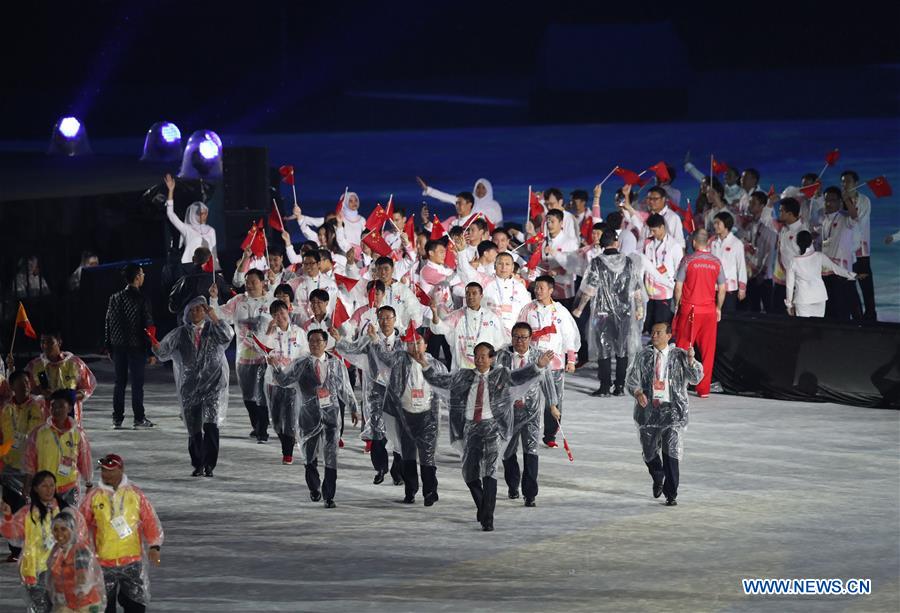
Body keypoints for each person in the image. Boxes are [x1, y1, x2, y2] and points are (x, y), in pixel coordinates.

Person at [414, 342, 553, 531]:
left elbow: (519, 377)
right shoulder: (463, 376)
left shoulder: (500, 374)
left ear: (492, 358)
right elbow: (440, 381)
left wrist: (538, 365)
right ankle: (482, 507)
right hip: (470, 428)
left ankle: (488, 518)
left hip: (493, 428)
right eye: (476, 356)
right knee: (470, 474)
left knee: (490, 471)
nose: (479, 360)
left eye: (483, 356)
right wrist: (424, 365)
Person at [269, 330, 359, 508]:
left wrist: (354, 408)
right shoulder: (301, 363)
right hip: (308, 415)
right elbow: (284, 380)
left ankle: (329, 495)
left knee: (331, 454)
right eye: (311, 341)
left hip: (331, 413)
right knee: (309, 455)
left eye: (319, 341)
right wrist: (274, 366)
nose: (315, 344)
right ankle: (314, 487)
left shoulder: (336, 363)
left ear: (326, 343)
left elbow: (345, 388)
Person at [151, 296, 234, 477]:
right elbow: (163, 352)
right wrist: (155, 345)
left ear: (205, 311)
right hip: (190, 387)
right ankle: (198, 463)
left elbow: (228, 335)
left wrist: (215, 317)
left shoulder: (214, 329)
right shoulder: (180, 333)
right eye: (193, 310)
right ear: (187, 313)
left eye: (200, 309)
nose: (196, 313)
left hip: (213, 384)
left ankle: (210, 465)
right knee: (194, 428)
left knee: (211, 426)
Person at [625, 321, 704, 506]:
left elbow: (696, 378)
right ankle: (657, 475)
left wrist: (692, 361)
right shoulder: (643, 356)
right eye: (652, 332)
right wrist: (637, 393)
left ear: (669, 336)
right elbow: (631, 379)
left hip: (673, 411)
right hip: (649, 411)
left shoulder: (681, 356)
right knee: (649, 451)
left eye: (658, 333)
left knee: (671, 452)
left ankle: (671, 493)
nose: (653, 336)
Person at [367, 328, 448, 506]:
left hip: (428, 417)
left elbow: (444, 385)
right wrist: (374, 339)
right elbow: (382, 356)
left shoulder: (436, 365)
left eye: (418, 342)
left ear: (426, 345)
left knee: (427, 457)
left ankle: (430, 492)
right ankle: (410, 491)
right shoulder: (399, 359)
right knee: (408, 456)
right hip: (405, 416)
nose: (414, 346)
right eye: (410, 343)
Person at [81, 453, 164, 613]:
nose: (106, 474)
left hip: (132, 560)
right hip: (104, 562)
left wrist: (154, 545)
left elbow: (149, 520)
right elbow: (81, 525)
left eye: (111, 470)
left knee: (136, 605)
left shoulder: (135, 494)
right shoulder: (94, 497)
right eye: (104, 470)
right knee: (104, 607)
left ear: (121, 470)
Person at [332, 308, 404, 486]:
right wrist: (339, 339)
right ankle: (380, 468)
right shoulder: (369, 339)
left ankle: (397, 470)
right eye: (382, 318)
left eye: (389, 318)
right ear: (377, 320)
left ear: (395, 319)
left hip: (397, 394)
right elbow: (352, 348)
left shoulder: (403, 342)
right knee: (377, 432)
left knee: (399, 435)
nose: (385, 321)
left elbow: (396, 361)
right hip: (376, 393)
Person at [572, 231, 646, 397]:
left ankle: (605, 386)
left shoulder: (597, 263)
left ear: (602, 244)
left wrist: (579, 308)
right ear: (616, 242)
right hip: (625, 312)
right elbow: (636, 289)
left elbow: (590, 289)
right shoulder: (628, 262)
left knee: (603, 350)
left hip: (602, 313)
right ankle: (620, 386)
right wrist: (639, 308)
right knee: (622, 350)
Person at [496, 323, 558, 507]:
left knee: (531, 451)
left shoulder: (539, 356)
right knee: (508, 452)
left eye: (523, 337)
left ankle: (530, 494)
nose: (519, 341)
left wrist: (552, 405)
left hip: (531, 412)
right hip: (509, 413)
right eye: (516, 336)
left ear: (530, 339)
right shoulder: (502, 356)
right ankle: (513, 484)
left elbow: (547, 381)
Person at [516, 276, 579, 447]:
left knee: (554, 399)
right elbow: (519, 332)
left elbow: (568, 336)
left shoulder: (560, 311)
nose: (538, 291)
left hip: (555, 362)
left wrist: (571, 359)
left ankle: (550, 434)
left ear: (551, 290)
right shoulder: (528, 309)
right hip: (533, 363)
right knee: (529, 397)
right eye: (536, 287)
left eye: (542, 288)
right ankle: (526, 429)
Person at [210, 269, 272, 443]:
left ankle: (262, 430)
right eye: (247, 281)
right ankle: (256, 425)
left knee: (261, 393)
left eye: (253, 281)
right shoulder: (238, 301)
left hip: (265, 356)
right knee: (248, 395)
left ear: (262, 282)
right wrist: (214, 298)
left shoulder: (270, 301)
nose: (250, 285)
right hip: (243, 355)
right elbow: (219, 315)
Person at [0, 470, 69, 613]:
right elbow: (11, 534)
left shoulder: (65, 510)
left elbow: (80, 536)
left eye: (52, 485)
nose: (49, 489)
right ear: (36, 488)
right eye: (44, 486)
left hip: (61, 570)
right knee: (41, 609)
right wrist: (8, 517)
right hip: (35, 571)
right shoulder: (27, 513)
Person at [672, 229, 727, 399]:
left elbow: (678, 286)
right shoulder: (716, 262)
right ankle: (704, 389)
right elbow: (723, 288)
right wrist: (718, 308)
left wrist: (677, 305)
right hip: (709, 311)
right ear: (707, 243)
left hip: (691, 310)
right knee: (708, 351)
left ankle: (679, 385)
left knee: (683, 347)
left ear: (694, 242)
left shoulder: (688, 260)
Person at [0, 370, 46, 562]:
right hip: (9, 464)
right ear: (12, 387)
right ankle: (15, 548)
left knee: (30, 506)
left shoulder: (38, 406)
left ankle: (33, 544)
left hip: (31, 464)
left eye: (27, 382)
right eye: (21, 383)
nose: (26, 386)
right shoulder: (5, 409)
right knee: (11, 506)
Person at [104, 263, 155, 430]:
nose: (144, 276)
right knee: (136, 384)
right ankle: (138, 417)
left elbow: (108, 323)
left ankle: (117, 418)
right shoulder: (141, 299)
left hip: (118, 346)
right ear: (137, 277)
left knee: (119, 382)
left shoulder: (114, 298)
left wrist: (109, 346)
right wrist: (151, 350)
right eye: (142, 273)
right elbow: (147, 327)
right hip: (136, 347)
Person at [23, 390, 93, 505]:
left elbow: (85, 461)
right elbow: (30, 462)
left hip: (69, 488)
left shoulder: (77, 434)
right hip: (44, 490)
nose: (56, 410)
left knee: (68, 520)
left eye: (61, 406)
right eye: (53, 406)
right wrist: (27, 486)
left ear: (70, 408)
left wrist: (89, 483)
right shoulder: (39, 433)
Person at [260, 300, 309, 464]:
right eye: (275, 314)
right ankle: (285, 438)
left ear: (288, 312)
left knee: (290, 417)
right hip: (273, 381)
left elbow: (305, 353)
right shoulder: (270, 333)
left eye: (282, 313)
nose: (279, 317)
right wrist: (268, 331)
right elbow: (262, 350)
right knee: (275, 418)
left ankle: (287, 452)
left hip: (292, 383)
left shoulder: (298, 332)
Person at [429, 282, 509, 370]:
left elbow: (499, 343)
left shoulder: (491, 317)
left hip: (485, 368)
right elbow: (438, 328)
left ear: (481, 296)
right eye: (467, 294)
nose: (470, 296)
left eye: (474, 293)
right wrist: (434, 313)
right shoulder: (456, 316)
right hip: (461, 368)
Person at [26, 332, 97, 424]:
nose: (45, 346)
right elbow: (24, 390)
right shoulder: (34, 366)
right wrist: (40, 392)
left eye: (50, 342)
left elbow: (88, 387)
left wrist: (70, 397)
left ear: (59, 342)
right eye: (42, 342)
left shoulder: (75, 364)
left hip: (71, 419)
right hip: (43, 420)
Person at [46, 508, 106, 613]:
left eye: (63, 529)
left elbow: (83, 579)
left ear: (72, 530)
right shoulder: (56, 551)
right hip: (67, 603)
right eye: (55, 529)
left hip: (85, 604)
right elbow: (54, 578)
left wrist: (78, 597)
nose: (59, 534)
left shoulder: (80, 550)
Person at [785, 231, 856, 318]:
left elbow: (789, 285)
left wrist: (789, 304)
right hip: (819, 297)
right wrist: (852, 275)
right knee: (818, 327)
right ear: (811, 242)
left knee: (805, 328)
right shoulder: (819, 256)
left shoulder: (794, 261)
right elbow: (835, 268)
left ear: (797, 243)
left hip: (803, 299)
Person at [819, 187, 860, 320]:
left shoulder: (844, 218)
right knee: (829, 308)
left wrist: (847, 199)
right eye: (826, 200)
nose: (828, 203)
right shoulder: (824, 220)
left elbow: (854, 215)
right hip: (825, 271)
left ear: (839, 202)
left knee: (842, 309)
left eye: (832, 200)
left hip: (841, 273)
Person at [163, 173, 219, 267]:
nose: (204, 216)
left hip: (207, 268)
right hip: (189, 266)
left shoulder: (210, 230)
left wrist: (217, 269)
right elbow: (170, 214)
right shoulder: (187, 229)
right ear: (194, 215)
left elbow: (213, 251)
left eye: (205, 213)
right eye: (201, 214)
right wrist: (171, 190)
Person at [640, 213, 684, 330]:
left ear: (662, 227)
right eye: (650, 230)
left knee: (661, 327)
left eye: (654, 230)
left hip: (665, 293)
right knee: (647, 327)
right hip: (648, 292)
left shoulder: (674, 245)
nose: (652, 233)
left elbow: (680, 269)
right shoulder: (647, 243)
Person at [841, 170, 875, 320]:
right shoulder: (840, 201)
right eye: (843, 181)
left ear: (855, 183)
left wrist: (848, 203)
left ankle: (871, 316)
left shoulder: (864, 200)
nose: (845, 184)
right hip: (846, 250)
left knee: (866, 286)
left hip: (861, 249)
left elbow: (856, 221)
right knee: (849, 286)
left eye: (848, 181)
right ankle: (857, 316)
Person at [764, 196, 807, 315]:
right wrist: (770, 203)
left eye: (782, 211)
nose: (779, 213)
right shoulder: (782, 228)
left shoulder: (802, 231)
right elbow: (765, 220)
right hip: (779, 280)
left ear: (790, 214)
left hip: (795, 283)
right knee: (777, 313)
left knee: (794, 315)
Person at [741, 192, 778, 313]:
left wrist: (762, 273)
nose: (749, 205)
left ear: (763, 206)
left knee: (769, 310)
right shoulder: (750, 225)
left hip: (764, 276)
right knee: (753, 310)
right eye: (749, 202)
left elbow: (770, 250)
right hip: (751, 274)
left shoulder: (769, 225)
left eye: (753, 203)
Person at [167, 247, 232, 314]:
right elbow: (230, 301)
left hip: (189, 321)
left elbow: (173, 307)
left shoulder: (184, 281)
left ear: (193, 259)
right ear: (210, 260)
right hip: (213, 320)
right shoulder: (217, 279)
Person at [417, 177, 503, 226]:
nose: (480, 190)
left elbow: (499, 223)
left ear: (489, 189)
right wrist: (428, 190)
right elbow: (446, 197)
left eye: (483, 188)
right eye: (478, 187)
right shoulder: (467, 200)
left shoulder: (494, 205)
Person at [709, 212, 747, 312]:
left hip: (729, 288)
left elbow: (741, 267)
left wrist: (742, 288)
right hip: (713, 287)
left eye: (718, 223)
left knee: (727, 317)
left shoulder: (736, 243)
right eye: (714, 223)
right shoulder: (712, 242)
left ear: (726, 224)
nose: (715, 226)